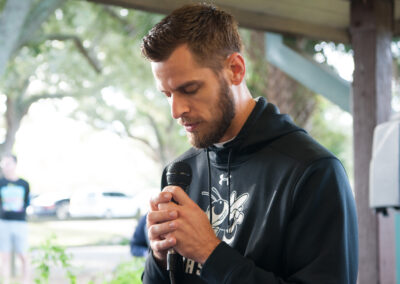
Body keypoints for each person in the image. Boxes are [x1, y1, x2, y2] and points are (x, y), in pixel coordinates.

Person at [141, 3, 358, 284]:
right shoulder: (181, 172)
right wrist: (159, 258)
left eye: (189, 89)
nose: (176, 110)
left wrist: (211, 254)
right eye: (167, 94)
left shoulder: (313, 171)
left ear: (235, 69)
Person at [0, 154, 31, 284]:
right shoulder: (1, 183)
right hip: (3, 223)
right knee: (4, 255)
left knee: (23, 254)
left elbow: (26, 202)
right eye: (3, 164)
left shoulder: (24, 184)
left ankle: (26, 281)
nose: (5, 167)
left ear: (14, 164)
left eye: (8, 163)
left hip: (20, 223)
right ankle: (5, 281)